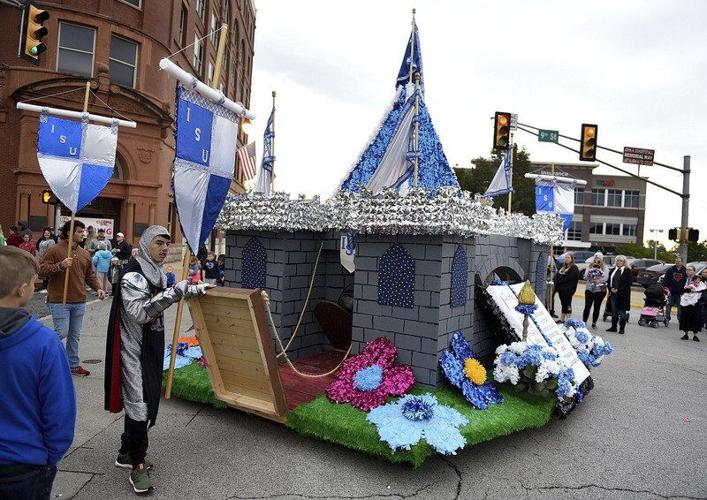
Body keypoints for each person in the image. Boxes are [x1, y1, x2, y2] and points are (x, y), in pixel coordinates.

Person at [104, 226, 209, 494]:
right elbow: (140, 312)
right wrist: (175, 293)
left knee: (146, 401)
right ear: (147, 244)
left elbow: (162, 297)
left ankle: (126, 452)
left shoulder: (155, 272)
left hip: (149, 348)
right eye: (159, 243)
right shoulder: (133, 275)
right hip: (132, 350)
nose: (164, 248)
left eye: (167, 243)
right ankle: (138, 465)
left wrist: (190, 290)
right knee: (140, 405)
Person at [0, 246, 76, 500]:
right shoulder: (44, 342)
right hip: (24, 465)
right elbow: (59, 411)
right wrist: (49, 457)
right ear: (21, 290)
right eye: (34, 283)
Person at [39, 220, 106, 376]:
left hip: (79, 300)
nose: (82, 234)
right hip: (59, 300)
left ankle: (73, 365)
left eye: (83, 231)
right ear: (69, 232)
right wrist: (60, 266)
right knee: (61, 332)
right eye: (79, 231)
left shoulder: (84, 253)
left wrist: (99, 288)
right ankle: (41, 357)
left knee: (74, 336)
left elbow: (89, 275)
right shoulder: (54, 250)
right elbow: (41, 269)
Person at [679, 265, 706, 342]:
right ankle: (686, 334)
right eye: (687, 270)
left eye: (690, 270)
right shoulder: (684, 279)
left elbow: (702, 290)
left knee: (695, 318)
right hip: (686, 302)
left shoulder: (699, 279)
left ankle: (695, 335)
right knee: (685, 317)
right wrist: (688, 291)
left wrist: (701, 300)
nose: (688, 271)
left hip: (696, 302)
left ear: (694, 271)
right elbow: (681, 289)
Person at [606, 255, 632, 334]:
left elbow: (628, 283)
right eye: (617, 260)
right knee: (614, 311)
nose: (619, 262)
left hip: (623, 295)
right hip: (613, 294)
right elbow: (608, 281)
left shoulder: (627, 271)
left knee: (622, 312)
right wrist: (611, 289)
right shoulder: (613, 270)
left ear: (624, 262)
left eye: (621, 261)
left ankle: (622, 328)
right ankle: (614, 327)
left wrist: (618, 290)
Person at [583, 255, 608, 328]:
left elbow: (605, 278)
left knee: (597, 307)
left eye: (599, 260)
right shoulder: (590, 266)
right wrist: (592, 269)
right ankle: (584, 321)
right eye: (596, 259)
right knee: (587, 306)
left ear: (602, 260)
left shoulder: (605, 267)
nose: (597, 261)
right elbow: (585, 275)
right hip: (589, 289)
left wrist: (598, 279)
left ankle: (594, 323)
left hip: (600, 290)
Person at [554, 253, 580, 322]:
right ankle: (562, 319)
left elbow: (567, 278)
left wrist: (559, 279)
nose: (566, 259)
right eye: (565, 257)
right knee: (563, 304)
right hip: (561, 290)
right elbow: (557, 276)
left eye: (568, 257)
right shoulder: (563, 267)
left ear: (572, 259)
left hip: (568, 290)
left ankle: (568, 320)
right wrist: (559, 280)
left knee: (568, 304)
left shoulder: (574, 268)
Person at [663, 256, 687, 324]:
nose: (677, 262)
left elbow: (687, 281)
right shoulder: (670, 269)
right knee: (668, 306)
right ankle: (667, 319)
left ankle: (680, 319)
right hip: (671, 292)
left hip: (680, 293)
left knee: (680, 307)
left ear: (681, 262)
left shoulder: (685, 270)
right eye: (676, 261)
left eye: (679, 261)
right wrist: (665, 288)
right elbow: (665, 280)